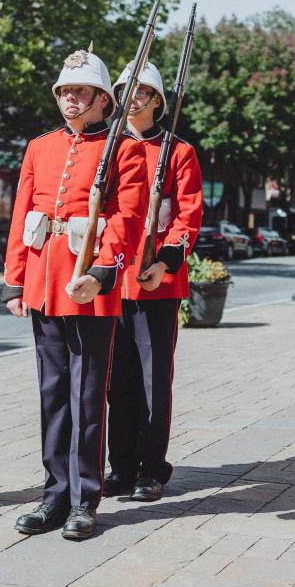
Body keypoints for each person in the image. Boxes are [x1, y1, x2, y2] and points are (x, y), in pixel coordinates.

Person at [3, 48, 148, 540]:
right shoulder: (40, 147)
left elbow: (127, 220)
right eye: (65, 92)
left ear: (103, 99)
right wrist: (16, 280)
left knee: (87, 397)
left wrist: (105, 271)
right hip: (45, 281)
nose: (71, 99)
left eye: (81, 92)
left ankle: (85, 499)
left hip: (88, 284)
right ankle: (54, 494)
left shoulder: (124, 149)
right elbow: (25, 214)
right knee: (52, 396)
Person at [105, 61, 202, 502]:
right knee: (114, 380)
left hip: (156, 281)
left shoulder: (178, 152)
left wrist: (164, 263)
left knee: (150, 379)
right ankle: (120, 466)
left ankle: (150, 467)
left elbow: (187, 218)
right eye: (126, 90)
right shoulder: (106, 148)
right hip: (109, 278)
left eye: (142, 91)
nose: (133, 98)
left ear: (158, 100)